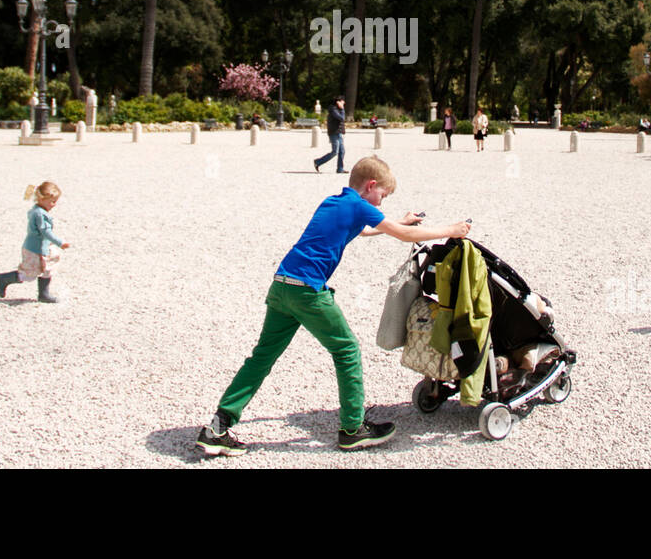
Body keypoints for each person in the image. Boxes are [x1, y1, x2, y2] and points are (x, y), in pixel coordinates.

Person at [196, 155, 472, 456]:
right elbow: (404, 235)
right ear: (371, 185)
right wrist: (450, 230)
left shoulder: (335, 201)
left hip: (282, 285)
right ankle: (353, 429)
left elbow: (364, 230)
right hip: (308, 292)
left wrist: (399, 221)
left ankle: (218, 426)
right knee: (347, 350)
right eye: (383, 195)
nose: (381, 203)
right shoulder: (359, 205)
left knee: (260, 358)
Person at [0, 182, 72, 303]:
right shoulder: (39, 214)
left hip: (43, 247)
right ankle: (5, 279)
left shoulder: (38, 211)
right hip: (34, 249)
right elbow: (45, 232)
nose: (54, 205)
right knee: (29, 273)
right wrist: (60, 242)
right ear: (42, 199)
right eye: (52, 201)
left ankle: (43, 294)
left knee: (48, 267)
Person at [313, 96, 347, 173]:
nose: (344, 103)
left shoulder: (337, 109)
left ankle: (340, 169)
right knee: (335, 152)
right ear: (338, 102)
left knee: (342, 151)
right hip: (334, 133)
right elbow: (342, 118)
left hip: (338, 133)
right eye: (343, 101)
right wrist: (342, 109)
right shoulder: (333, 109)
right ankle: (318, 162)